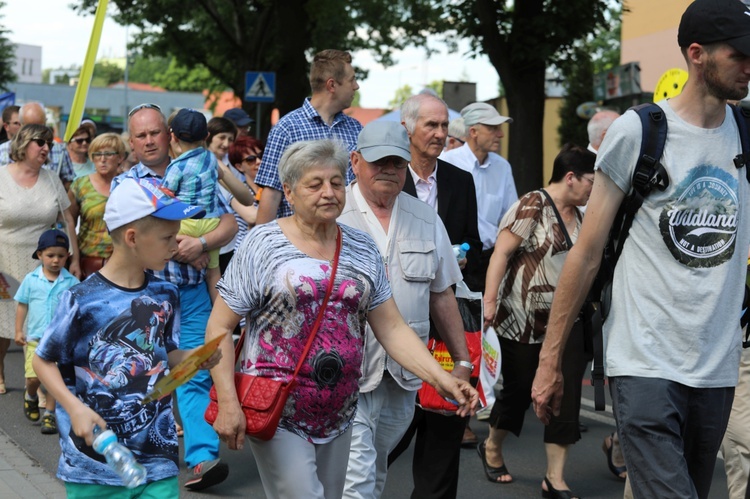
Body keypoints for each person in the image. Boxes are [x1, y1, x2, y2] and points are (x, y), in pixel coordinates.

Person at [531, 1, 750, 497]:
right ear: (697, 54)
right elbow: (586, 254)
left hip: (715, 365)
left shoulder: (744, 134)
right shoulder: (641, 132)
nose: (749, 67)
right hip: (645, 361)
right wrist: (550, 362)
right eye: (740, 54)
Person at [205, 137, 477, 499]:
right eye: (314, 184)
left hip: (340, 410)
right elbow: (219, 327)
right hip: (278, 407)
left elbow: (392, 328)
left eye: (335, 182)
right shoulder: (263, 243)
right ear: (288, 190)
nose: (328, 192)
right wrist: (227, 402)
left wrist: (440, 378)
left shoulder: (362, 247)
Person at [32, 176, 222, 497]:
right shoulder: (81, 298)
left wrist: (196, 358)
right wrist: (74, 408)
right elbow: (42, 360)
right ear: (132, 237)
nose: (177, 246)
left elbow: (164, 355)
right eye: (168, 238)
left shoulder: (166, 294)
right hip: (94, 466)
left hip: (158, 460)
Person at [336, 121, 472, 499]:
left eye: (398, 163)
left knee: (376, 466)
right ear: (356, 161)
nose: (390, 171)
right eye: (380, 163)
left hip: (403, 376)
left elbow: (442, 293)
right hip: (346, 372)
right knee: (357, 476)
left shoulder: (425, 218)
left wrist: (462, 362)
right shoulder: (333, 213)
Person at [113, 103, 237, 491]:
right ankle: (138, 454)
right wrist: (179, 246)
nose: (150, 140)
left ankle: (202, 458)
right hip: (145, 296)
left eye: (155, 132)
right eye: (141, 135)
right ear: (131, 142)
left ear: (169, 134)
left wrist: (202, 240)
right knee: (140, 376)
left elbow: (231, 221)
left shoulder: (199, 166)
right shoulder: (126, 186)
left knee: (194, 370)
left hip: (192, 292)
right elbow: (127, 240)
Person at [479, 144, 594, 498]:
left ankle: (554, 479)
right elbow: (501, 252)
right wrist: (489, 300)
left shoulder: (585, 215)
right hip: (521, 319)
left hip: (568, 321)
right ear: (571, 177)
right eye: (592, 181)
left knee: (566, 393)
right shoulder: (534, 203)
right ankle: (493, 446)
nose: (595, 189)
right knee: (518, 391)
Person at [387, 94, 481, 499]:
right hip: (393, 321)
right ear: (407, 128)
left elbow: (475, 246)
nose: (441, 134)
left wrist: (461, 258)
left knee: (443, 430)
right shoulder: (387, 176)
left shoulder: (460, 181)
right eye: (432, 126)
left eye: (445, 127)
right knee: (387, 435)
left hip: (448, 317)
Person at [0, 124, 80, 395]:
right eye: (40, 142)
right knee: (3, 320)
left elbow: (68, 219)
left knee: (40, 321)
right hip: (4, 260)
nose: (46, 148)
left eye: (49, 144)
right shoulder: (1, 177)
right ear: (23, 144)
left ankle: (34, 382)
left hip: (43, 263)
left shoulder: (51, 178)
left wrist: (75, 259)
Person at [255, 49, 362, 223]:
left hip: (345, 240)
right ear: (332, 85)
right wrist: (260, 245)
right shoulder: (287, 128)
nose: (356, 86)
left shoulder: (356, 129)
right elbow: (272, 193)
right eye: (352, 80)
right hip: (298, 242)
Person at [439, 102, 517, 293]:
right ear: (473, 132)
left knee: (485, 319)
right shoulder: (447, 163)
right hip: (454, 261)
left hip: (491, 262)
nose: (501, 134)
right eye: (493, 128)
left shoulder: (502, 167)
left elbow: (511, 216)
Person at [14, 229, 79, 435]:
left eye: (61, 256)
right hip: (35, 339)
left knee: (54, 379)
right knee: (33, 378)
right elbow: (22, 305)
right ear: (40, 254)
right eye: (50, 255)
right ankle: (31, 395)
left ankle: (49, 414)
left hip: (60, 342)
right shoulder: (31, 279)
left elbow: (76, 311)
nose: (55, 261)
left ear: (67, 256)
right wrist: (18, 330)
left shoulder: (72, 283)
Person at [161, 108, 223, 302]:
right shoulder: (212, 159)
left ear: (172, 136)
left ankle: (192, 255)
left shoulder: (176, 166)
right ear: (206, 136)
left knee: (163, 234)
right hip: (211, 222)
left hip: (187, 221)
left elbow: (165, 198)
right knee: (213, 272)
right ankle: (221, 317)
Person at [68, 133, 128, 279]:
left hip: (123, 263)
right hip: (87, 263)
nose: (102, 159)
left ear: (120, 158)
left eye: (108, 154)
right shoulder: (80, 185)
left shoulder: (128, 185)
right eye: (97, 154)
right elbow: (69, 224)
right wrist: (74, 260)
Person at [0, 102, 75, 188]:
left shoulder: (60, 150)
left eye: (40, 126)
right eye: (31, 127)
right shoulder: (2, 151)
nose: (37, 131)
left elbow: (68, 184)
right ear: (21, 124)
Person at [226, 135, 263, 252]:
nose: (259, 162)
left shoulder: (273, 188)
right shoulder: (239, 191)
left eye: (261, 156)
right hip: (246, 252)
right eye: (251, 159)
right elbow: (252, 217)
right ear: (239, 167)